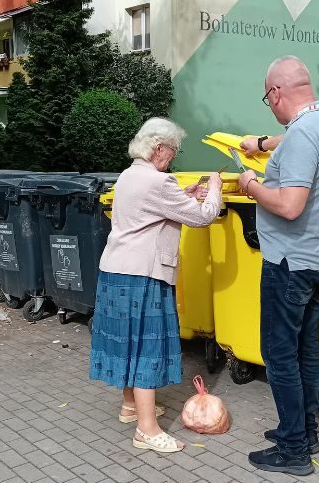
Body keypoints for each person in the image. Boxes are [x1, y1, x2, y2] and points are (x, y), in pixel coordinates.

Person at [238, 56, 319, 477]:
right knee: (305, 346)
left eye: (268, 99)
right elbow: (294, 141)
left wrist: (250, 185)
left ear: (277, 93)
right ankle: (305, 429)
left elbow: (289, 205)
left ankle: (293, 450)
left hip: (291, 263)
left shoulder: (303, 134)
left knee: (278, 352)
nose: (269, 106)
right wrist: (261, 143)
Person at [90, 118, 222, 453]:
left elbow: (152, 210)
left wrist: (184, 194)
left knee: (125, 342)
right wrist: (215, 188)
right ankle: (146, 431)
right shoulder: (159, 182)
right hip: (143, 275)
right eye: (172, 152)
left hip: (116, 271)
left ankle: (130, 407)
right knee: (146, 348)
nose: (172, 159)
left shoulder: (129, 175)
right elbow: (203, 217)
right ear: (159, 148)